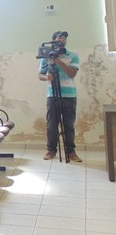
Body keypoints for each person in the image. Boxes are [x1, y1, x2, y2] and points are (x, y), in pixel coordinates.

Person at [38, 31, 81, 162]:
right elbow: (40, 75)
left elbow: (72, 74)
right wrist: (47, 77)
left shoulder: (73, 55)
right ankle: (51, 151)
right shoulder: (46, 56)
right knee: (52, 125)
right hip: (52, 95)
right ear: (53, 41)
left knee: (69, 125)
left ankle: (71, 152)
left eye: (64, 38)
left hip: (70, 95)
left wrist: (59, 61)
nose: (62, 40)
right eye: (59, 38)